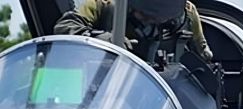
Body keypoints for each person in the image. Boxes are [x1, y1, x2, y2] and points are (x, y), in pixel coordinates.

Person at [55, 0, 213, 64]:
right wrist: (102, 41)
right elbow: (64, 27)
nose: (154, 21)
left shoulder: (188, 14)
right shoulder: (105, 5)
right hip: (108, 92)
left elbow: (203, 56)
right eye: (147, 15)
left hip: (168, 100)